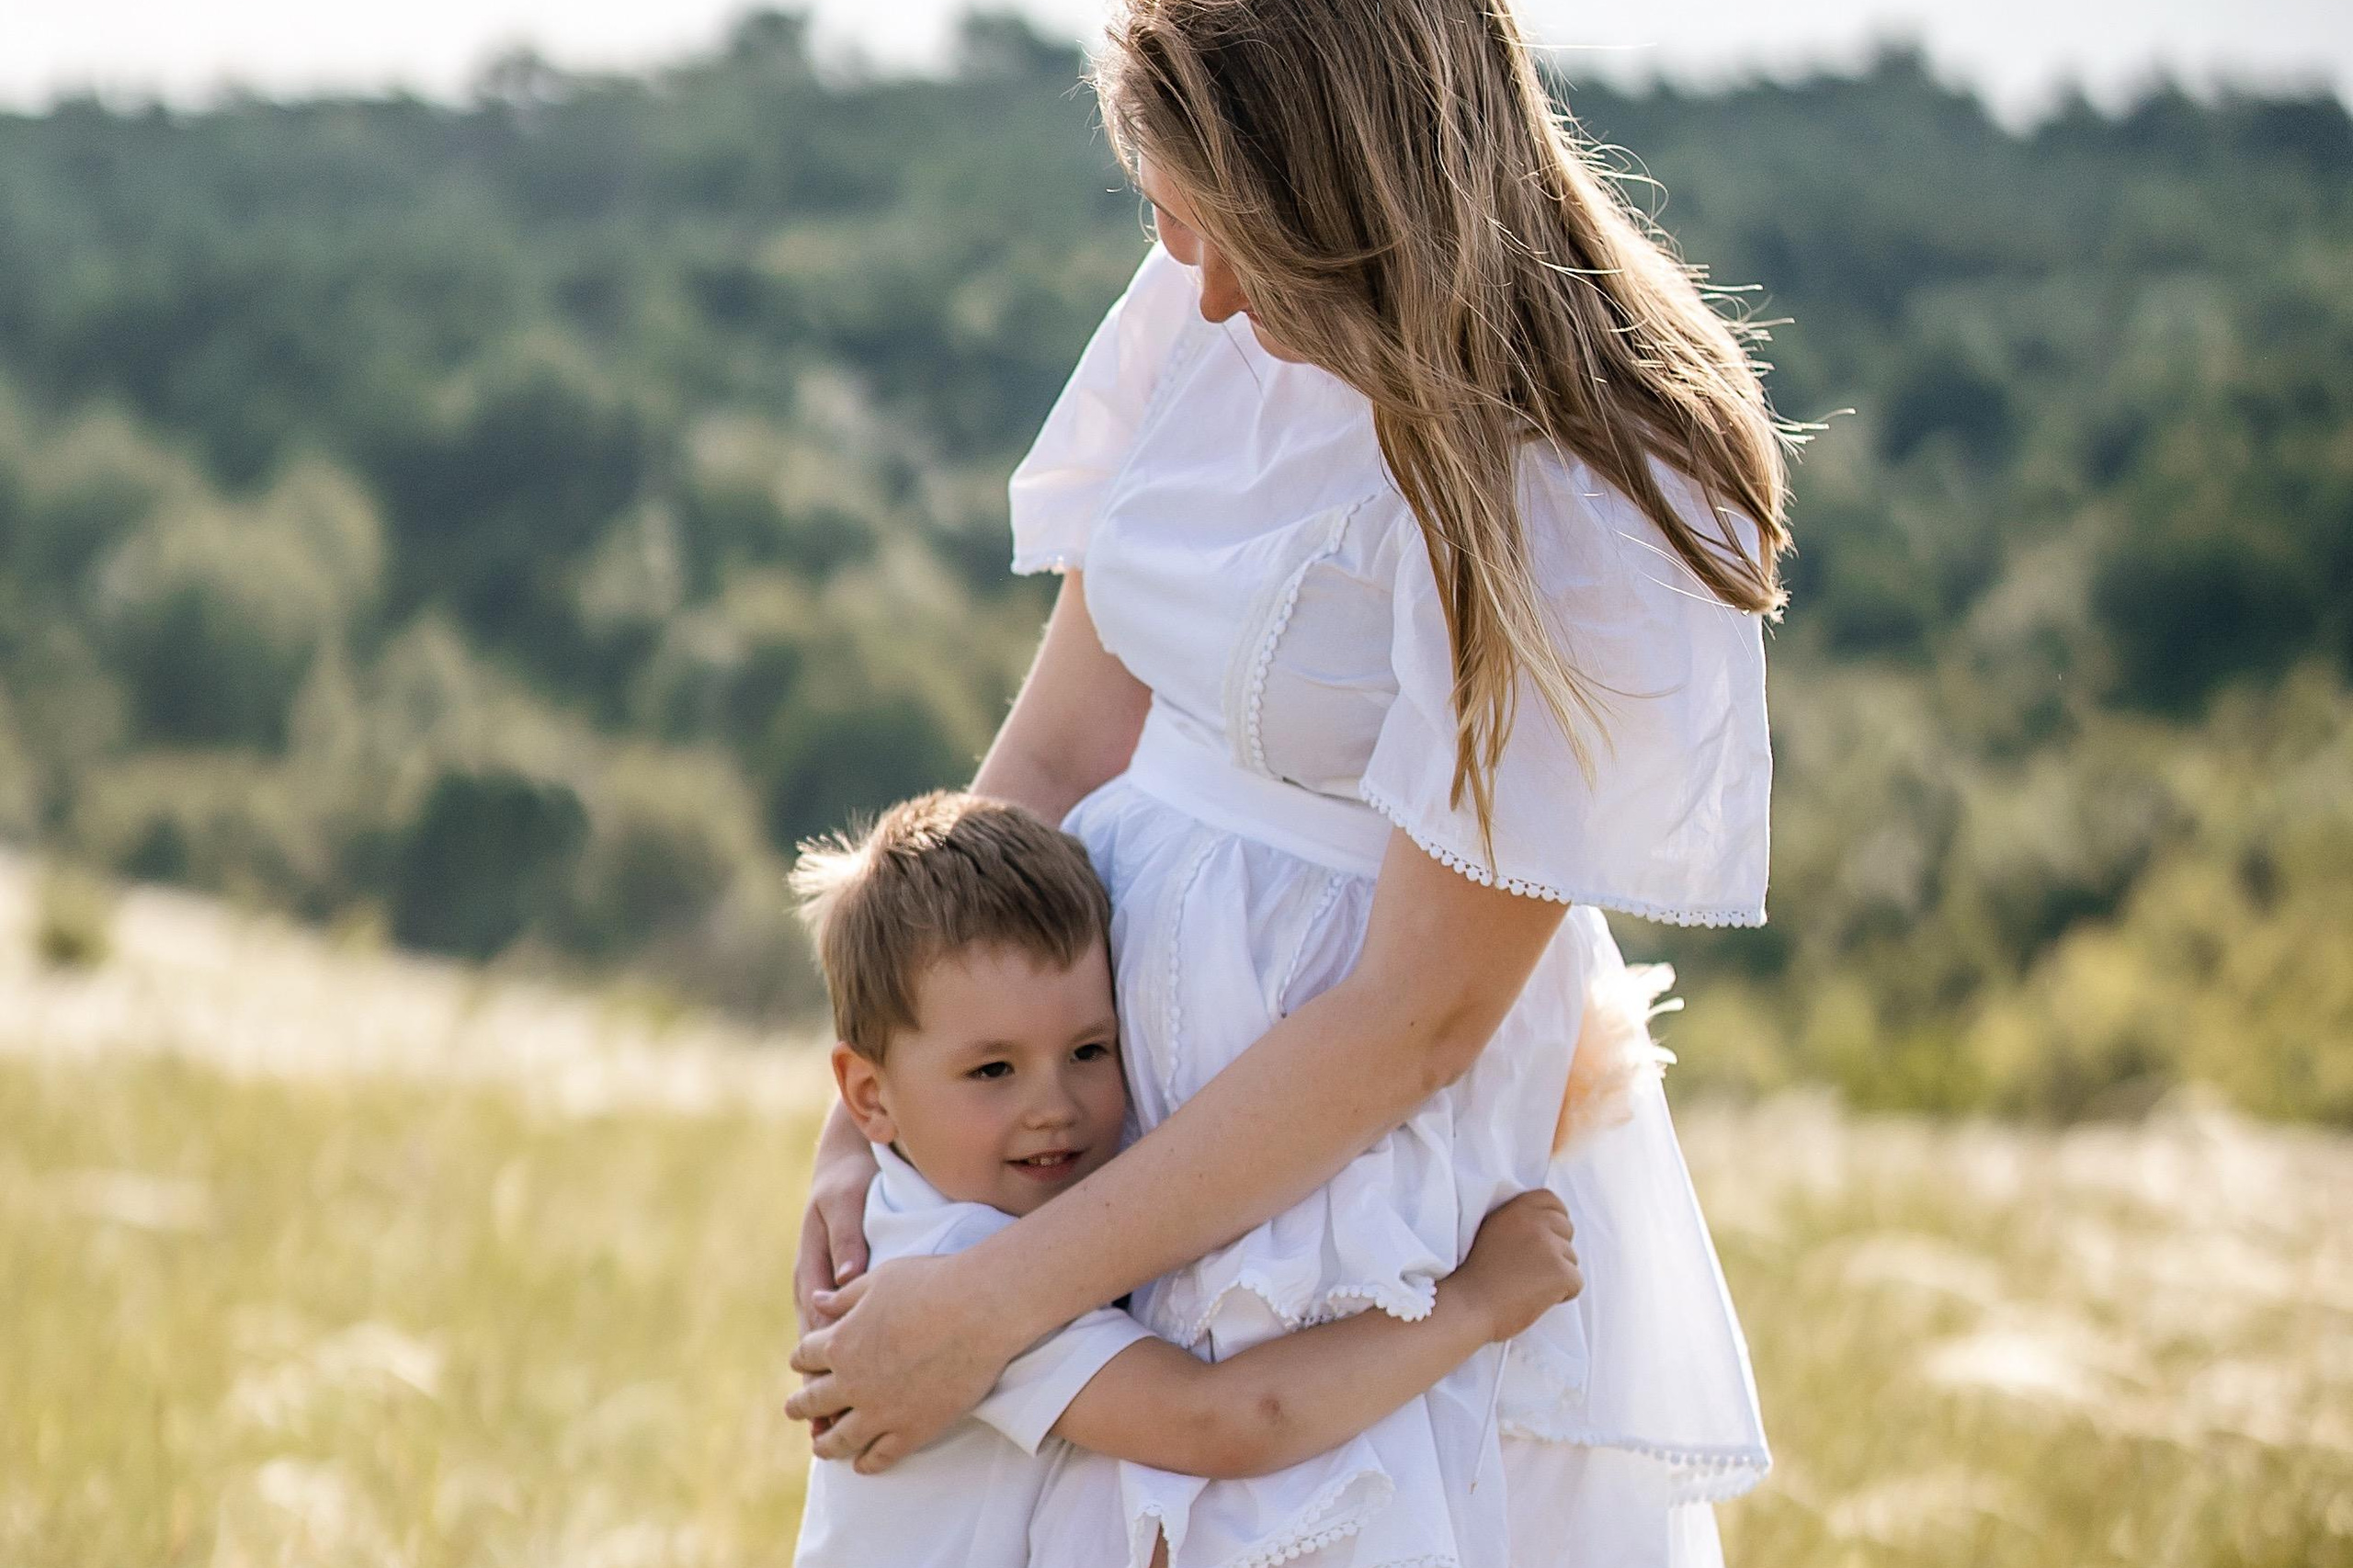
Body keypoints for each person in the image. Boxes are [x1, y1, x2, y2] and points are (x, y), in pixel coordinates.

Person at [789, 0, 1788, 1562]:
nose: (1207, 284)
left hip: (1339, 1212)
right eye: (1168, 219)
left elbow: (1416, 1020)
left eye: (1239, 231)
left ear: (1356, 188)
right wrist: (881, 1112)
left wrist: (1000, 1300)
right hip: (1079, 1129)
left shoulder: (1587, 480)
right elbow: (1056, 748)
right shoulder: (1202, 306)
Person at [787, 790, 1587, 1568]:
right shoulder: (950, 1257)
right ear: (867, 1096)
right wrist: (1475, 1306)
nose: (1054, 1108)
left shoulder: (927, 1203)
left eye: (1089, 1052)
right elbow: (1230, 1422)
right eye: (993, 1069)